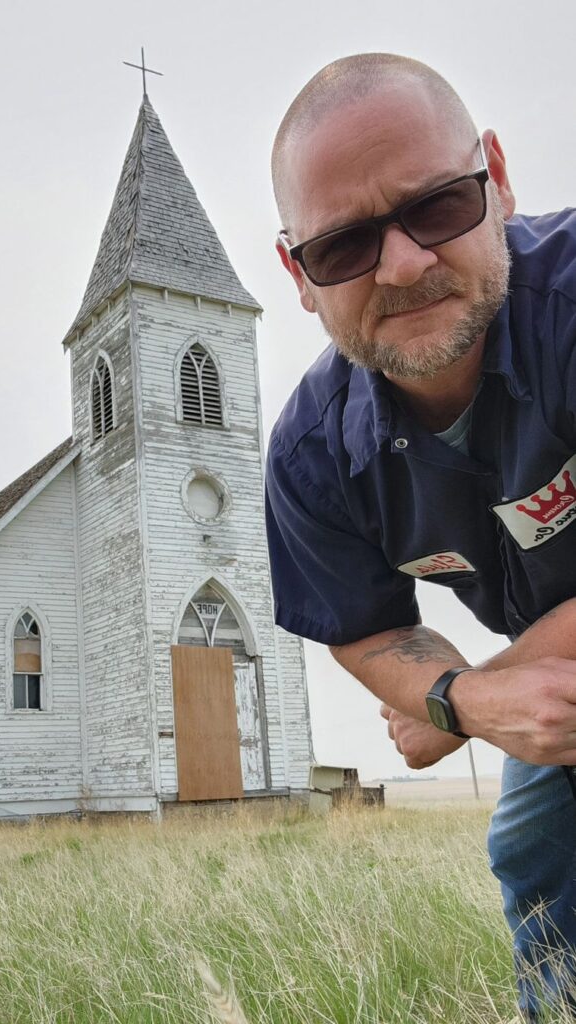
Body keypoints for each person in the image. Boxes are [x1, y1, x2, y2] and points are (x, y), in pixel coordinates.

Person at [265, 52, 576, 1022]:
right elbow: (362, 630)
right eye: (344, 246)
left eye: (438, 205)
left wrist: (461, 703)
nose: (402, 264)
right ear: (299, 275)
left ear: (496, 173)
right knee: (530, 851)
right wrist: (453, 693)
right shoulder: (313, 461)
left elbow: (445, 703)